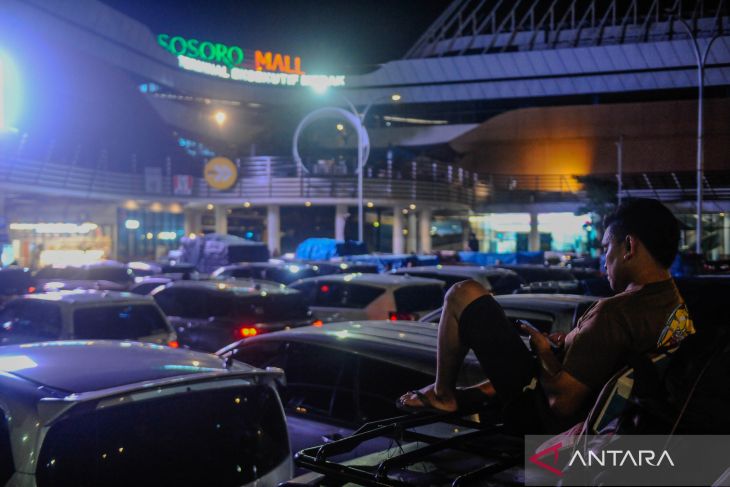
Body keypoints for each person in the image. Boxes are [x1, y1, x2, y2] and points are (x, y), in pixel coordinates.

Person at [398, 198, 694, 433]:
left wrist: (544, 353)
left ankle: (443, 394)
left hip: (543, 423)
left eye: (606, 249)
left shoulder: (615, 313)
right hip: (618, 415)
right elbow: (605, 357)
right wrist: (573, 340)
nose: (604, 261)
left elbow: (561, 404)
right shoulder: (673, 301)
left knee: (464, 293)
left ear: (629, 246)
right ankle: (475, 393)